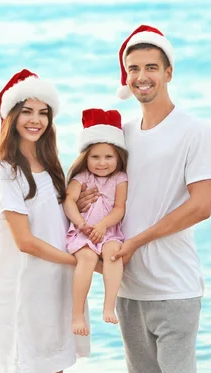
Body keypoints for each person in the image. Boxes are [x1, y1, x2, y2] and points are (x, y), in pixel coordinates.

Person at [78, 25, 211, 373]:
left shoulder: (195, 131)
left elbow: (201, 206)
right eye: (133, 69)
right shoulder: (121, 137)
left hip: (173, 284)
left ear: (168, 73)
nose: (141, 77)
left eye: (150, 67)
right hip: (129, 287)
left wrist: (137, 241)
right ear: (125, 76)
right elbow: (96, 192)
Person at [0, 68, 90, 373]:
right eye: (27, 111)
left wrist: (76, 204)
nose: (36, 120)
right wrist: (76, 260)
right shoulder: (7, 170)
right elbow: (25, 241)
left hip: (58, 282)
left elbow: (54, 218)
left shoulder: (50, 165)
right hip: (31, 287)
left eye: (43, 112)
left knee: (55, 369)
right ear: (11, 116)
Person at [63, 108, 128, 336]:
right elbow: (69, 201)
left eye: (108, 157)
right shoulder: (81, 178)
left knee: (113, 253)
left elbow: (119, 208)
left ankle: (109, 304)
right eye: (95, 157)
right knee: (88, 257)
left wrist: (102, 226)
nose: (102, 163)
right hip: (83, 232)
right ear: (86, 158)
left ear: (118, 157)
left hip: (108, 231)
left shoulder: (120, 178)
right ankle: (77, 314)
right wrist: (81, 223)